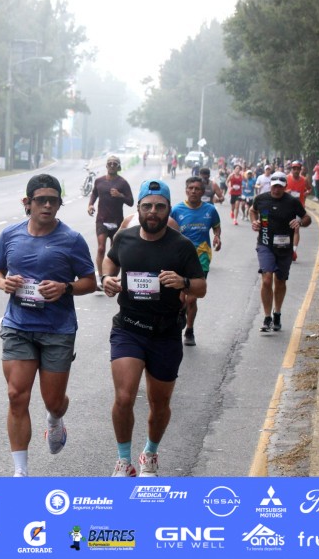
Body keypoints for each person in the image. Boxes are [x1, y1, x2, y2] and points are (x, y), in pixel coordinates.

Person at [0, 174, 96, 477]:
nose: (47, 206)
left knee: (53, 401)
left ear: (60, 203)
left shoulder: (71, 239)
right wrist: (3, 283)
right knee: (16, 395)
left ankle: (55, 419)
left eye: (53, 200)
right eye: (41, 200)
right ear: (28, 202)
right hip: (18, 325)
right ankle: (20, 472)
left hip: (57, 329)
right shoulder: (10, 235)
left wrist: (66, 288)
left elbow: (90, 281)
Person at [101, 179, 206, 477]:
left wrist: (183, 282)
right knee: (124, 397)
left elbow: (201, 287)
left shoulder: (181, 246)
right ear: (138, 208)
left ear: (168, 209)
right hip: (129, 328)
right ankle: (123, 461)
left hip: (165, 333)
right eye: (147, 206)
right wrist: (106, 279)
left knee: (159, 404)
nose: (153, 212)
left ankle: (149, 453)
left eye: (160, 207)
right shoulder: (125, 238)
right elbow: (110, 262)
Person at [249, 172, 312, 332]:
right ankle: (267, 317)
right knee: (267, 279)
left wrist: (299, 222)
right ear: (270, 185)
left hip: (284, 247)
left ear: (285, 187)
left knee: (280, 281)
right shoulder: (261, 199)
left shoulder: (292, 202)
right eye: (274, 186)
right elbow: (252, 210)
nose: (276, 189)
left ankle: (277, 312)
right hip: (265, 244)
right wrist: (254, 222)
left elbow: (307, 218)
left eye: (280, 187)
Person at [171, 177, 221, 346]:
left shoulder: (210, 210)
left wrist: (217, 236)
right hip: (180, 258)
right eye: (190, 188)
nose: (193, 191)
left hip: (201, 257)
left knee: (191, 298)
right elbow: (168, 230)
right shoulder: (176, 210)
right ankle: (180, 316)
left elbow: (216, 226)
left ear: (202, 191)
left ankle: (189, 330)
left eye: (197, 188)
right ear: (186, 190)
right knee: (181, 299)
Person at [87, 155, 135, 289]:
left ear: (119, 167)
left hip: (117, 221)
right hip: (102, 220)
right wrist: (90, 205)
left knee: (115, 252)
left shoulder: (123, 183)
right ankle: (101, 278)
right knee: (101, 248)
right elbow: (94, 193)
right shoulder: (99, 181)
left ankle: (112, 278)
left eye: (115, 164)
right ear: (106, 166)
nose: (112, 165)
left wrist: (120, 195)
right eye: (110, 163)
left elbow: (131, 202)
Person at [286, 160, 311, 261]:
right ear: (291, 169)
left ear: (300, 170)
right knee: (287, 229)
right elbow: (280, 190)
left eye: (298, 169)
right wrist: (286, 192)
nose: (296, 170)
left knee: (296, 228)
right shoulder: (286, 178)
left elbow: (309, 189)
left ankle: (294, 251)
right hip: (287, 207)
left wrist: (306, 193)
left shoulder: (304, 180)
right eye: (294, 168)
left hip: (299, 207)